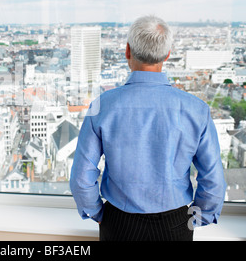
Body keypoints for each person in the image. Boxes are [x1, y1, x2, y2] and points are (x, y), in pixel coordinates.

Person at [70, 15, 227, 241]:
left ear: (127, 51)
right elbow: (213, 182)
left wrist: (96, 213)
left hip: (118, 223)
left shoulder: (102, 106)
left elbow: (81, 177)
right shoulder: (197, 110)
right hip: (176, 223)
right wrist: (193, 221)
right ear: (167, 54)